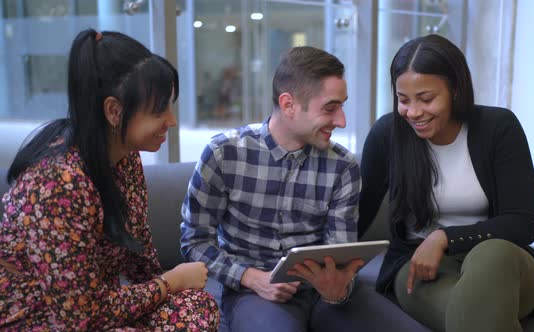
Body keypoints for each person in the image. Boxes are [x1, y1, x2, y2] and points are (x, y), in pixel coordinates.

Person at [180, 46, 427, 332]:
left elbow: (340, 251)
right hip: (254, 293)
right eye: (330, 108)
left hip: (327, 295)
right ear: (288, 105)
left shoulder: (343, 167)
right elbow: (194, 241)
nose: (342, 121)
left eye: (342, 106)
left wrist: (340, 288)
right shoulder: (224, 154)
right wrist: (250, 277)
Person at [0, 29, 219, 331]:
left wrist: (172, 288)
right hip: (40, 317)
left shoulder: (125, 156)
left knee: (196, 307)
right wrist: (171, 281)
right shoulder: (56, 183)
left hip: (96, 309)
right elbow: (78, 317)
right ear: (114, 111)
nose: (171, 120)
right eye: (159, 110)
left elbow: (138, 250)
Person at [358, 34, 534, 331]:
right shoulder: (387, 135)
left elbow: (523, 223)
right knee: (478, 316)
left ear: (456, 90)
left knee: (492, 255)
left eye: (426, 98)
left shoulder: (499, 128)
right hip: (420, 264)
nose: (413, 112)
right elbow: (359, 213)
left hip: (502, 261)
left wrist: (444, 237)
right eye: (403, 99)